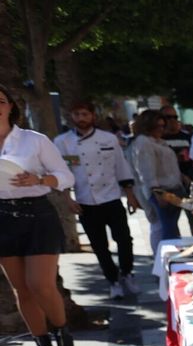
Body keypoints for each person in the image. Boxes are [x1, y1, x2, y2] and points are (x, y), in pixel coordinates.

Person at [0, 83, 77, 346]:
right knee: (22, 290)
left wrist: (39, 180)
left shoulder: (34, 140)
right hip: (3, 217)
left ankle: (64, 342)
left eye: (1, 100)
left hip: (38, 216)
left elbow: (65, 176)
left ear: (10, 106)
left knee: (40, 284)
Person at [55, 100, 142, 301]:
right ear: (71, 117)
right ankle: (112, 280)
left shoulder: (108, 139)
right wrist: (67, 198)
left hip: (111, 197)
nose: (81, 118)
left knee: (124, 239)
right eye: (77, 114)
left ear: (93, 116)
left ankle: (127, 273)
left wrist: (130, 195)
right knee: (99, 245)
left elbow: (121, 166)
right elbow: (62, 172)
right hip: (85, 200)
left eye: (85, 114)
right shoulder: (62, 142)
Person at [127, 109, 185, 247]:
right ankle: (163, 260)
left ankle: (168, 257)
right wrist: (157, 192)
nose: (161, 129)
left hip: (173, 188)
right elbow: (146, 171)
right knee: (164, 228)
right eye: (158, 126)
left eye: (163, 126)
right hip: (161, 191)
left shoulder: (158, 142)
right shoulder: (143, 143)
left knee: (170, 228)